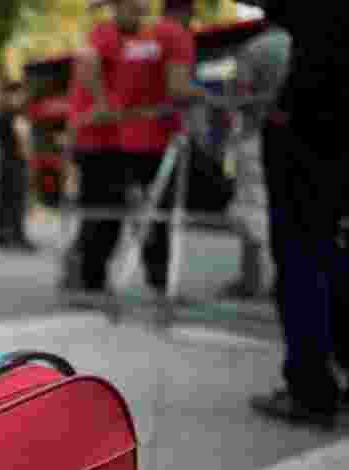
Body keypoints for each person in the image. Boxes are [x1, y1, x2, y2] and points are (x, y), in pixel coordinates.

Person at [245, 0, 349, 429]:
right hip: (334, 126)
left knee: (303, 254)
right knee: (334, 250)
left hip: (309, 124)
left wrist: (282, 115)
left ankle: (311, 389)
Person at [76, 0, 206, 299]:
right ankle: (145, 283)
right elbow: (175, 87)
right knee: (143, 214)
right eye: (135, 9)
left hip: (121, 137)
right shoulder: (164, 35)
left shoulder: (135, 37)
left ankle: (93, 280)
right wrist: (213, 95)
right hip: (138, 138)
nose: (140, 15)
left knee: (114, 211)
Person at [218, 25, 291, 300]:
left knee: (253, 208)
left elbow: (237, 95)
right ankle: (286, 280)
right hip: (306, 143)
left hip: (258, 137)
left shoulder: (257, 47)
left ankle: (251, 280)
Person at [62, 17, 125, 294]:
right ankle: (88, 279)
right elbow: (88, 60)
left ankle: (88, 277)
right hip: (96, 142)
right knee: (101, 212)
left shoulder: (112, 36)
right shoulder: (106, 34)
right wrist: (103, 103)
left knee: (101, 213)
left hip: (101, 140)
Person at [0, 80, 37, 251]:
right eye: (19, 94)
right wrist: (28, 159)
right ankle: (17, 235)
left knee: (3, 200)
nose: (21, 97)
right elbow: (23, 140)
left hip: (3, 164)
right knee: (17, 200)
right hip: (15, 164)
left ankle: (2, 234)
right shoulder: (17, 117)